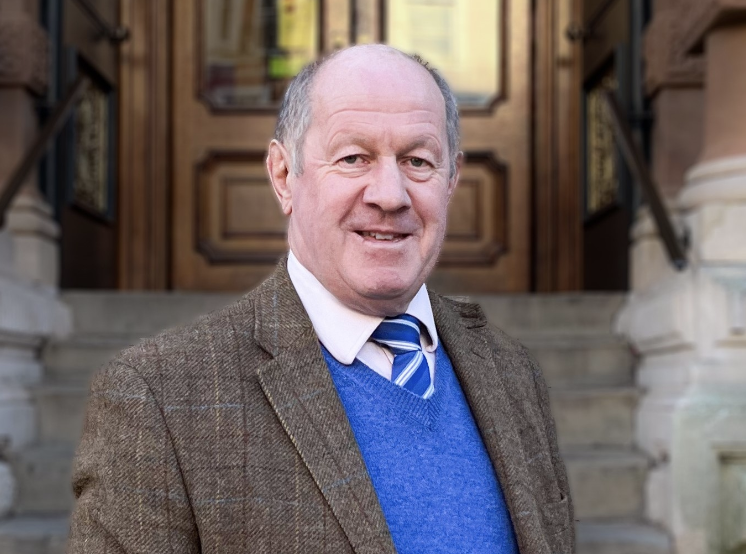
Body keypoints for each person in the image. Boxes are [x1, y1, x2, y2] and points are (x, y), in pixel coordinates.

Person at [67, 44, 574, 554]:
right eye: (353, 158)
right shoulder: (158, 398)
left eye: (418, 161)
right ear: (284, 176)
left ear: (451, 180)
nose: (390, 194)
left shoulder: (512, 374)